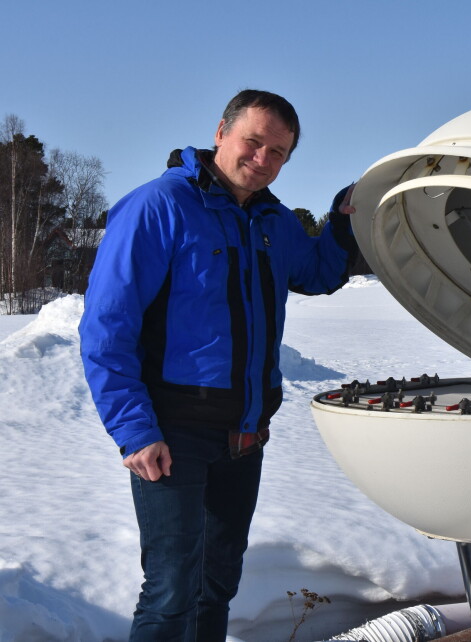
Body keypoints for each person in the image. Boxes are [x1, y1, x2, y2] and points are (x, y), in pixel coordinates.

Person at [79, 89, 358, 641]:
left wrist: (342, 219)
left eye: (278, 153)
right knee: (169, 593)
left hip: (245, 436)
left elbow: (320, 272)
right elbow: (107, 328)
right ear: (220, 133)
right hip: (172, 436)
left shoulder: (273, 223)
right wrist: (135, 430)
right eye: (253, 142)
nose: (262, 160)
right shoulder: (159, 207)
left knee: (217, 586)